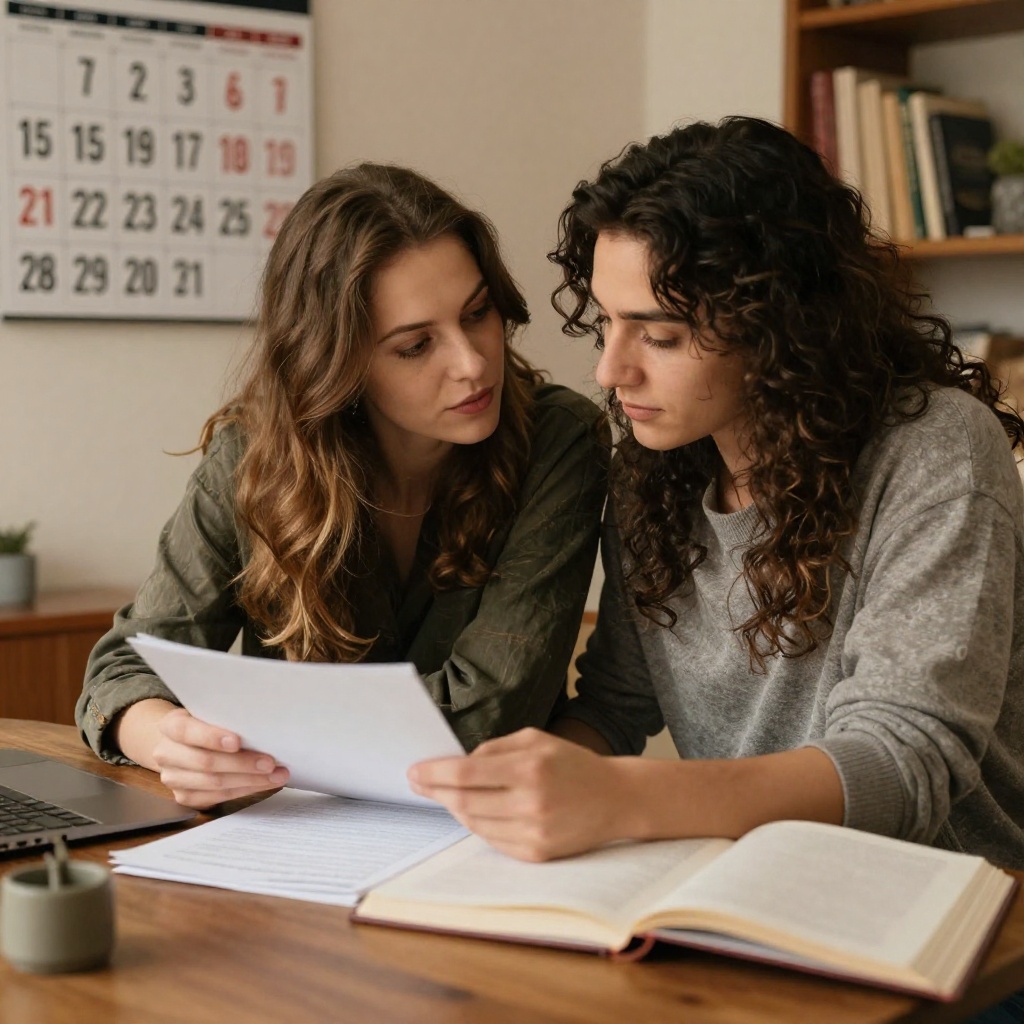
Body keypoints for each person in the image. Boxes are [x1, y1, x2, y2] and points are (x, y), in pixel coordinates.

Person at [408, 116, 1024, 880]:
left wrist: (628, 799)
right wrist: (481, 799)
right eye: (606, 323)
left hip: (954, 925)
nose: (609, 371)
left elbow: (901, 762)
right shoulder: (654, 469)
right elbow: (614, 705)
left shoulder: (935, 449)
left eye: (657, 336)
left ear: (779, 327)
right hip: (746, 893)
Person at [77, 163, 608, 810]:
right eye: (415, 346)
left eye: (478, 314)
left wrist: (264, 742)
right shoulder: (254, 454)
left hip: (480, 838)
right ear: (337, 361)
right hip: (288, 849)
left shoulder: (560, 440)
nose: (471, 364)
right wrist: (169, 739)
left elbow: (486, 717)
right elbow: (123, 670)